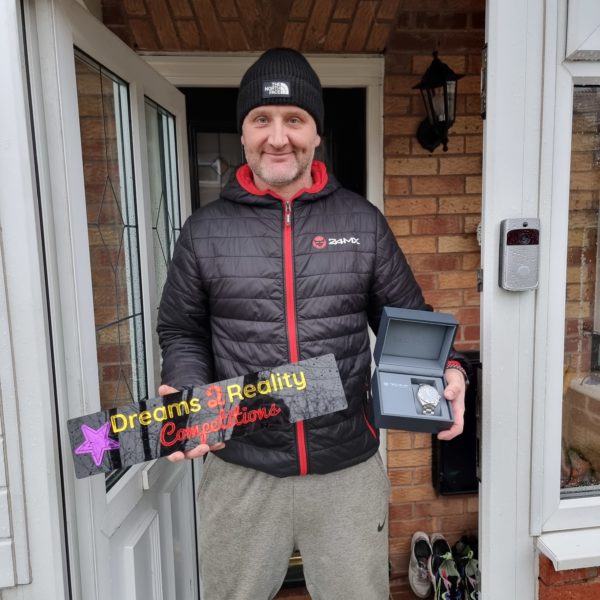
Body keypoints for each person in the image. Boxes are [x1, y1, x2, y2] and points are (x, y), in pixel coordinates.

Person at [157, 47, 468, 600]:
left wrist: (450, 369)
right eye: (262, 119)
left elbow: (409, 321)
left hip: (346, 469)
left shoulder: (362, 223)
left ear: (316, 133)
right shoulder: (203, 232)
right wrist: (187, 385)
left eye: (294, 119)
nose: (278, 137)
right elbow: (181, 330)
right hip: (242, 468)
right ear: (243, 132)